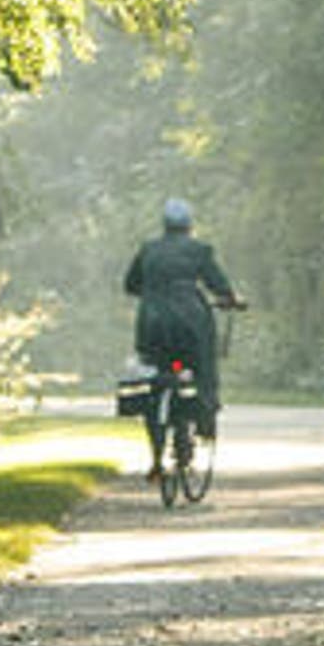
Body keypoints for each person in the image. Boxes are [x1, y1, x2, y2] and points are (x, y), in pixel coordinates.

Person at [120, 197, 241, 477]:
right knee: (203, 369)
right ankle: (204, 417)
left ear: (164, 225)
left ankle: (156, 459)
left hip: (153, 329)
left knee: (155, 382)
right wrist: (231, 300)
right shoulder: (199, 251)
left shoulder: (148, 250)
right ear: (189, 225)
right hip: (190, 328)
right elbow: (219, 285)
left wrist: (153, 294)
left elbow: (130, 285)